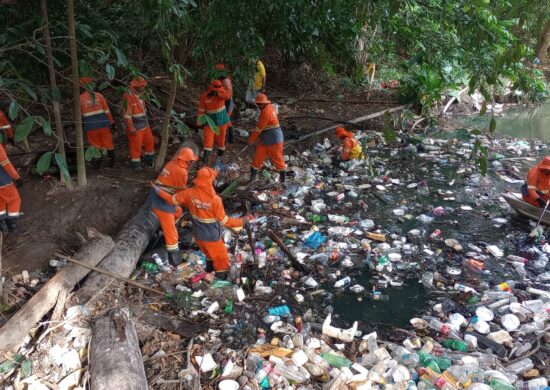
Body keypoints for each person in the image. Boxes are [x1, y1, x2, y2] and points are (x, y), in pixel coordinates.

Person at [152, 167, 243, 279]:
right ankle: (220, 281)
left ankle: (209, 272)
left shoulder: (189, 193)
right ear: (209, 182)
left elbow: (171, 200)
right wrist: (242, 220)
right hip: (212, 237)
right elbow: (225, 221)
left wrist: (157, 189)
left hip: (199, 235)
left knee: (209, 255)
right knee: (222, 260)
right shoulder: (215, 200)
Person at [149, 147, 198, 266]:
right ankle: (174, 261)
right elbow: (179, 195)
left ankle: (164, 226)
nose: (192, 163)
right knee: (172, 235)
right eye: (191, 161)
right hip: (162, 203)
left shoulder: (172, 163)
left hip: (157, 195)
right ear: (186, 161)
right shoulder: (181, 172)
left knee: (178, 210)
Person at [248, 93, 286, 184]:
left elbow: (258, 129)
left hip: (274, 140)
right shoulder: (268, 107)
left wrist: (251, 140)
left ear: (264, 103)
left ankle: (282, 180)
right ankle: (252, 179)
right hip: (265, 139)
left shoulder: (266, 113)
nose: (258, 106)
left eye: (259, 104)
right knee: (257, 158)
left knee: (278, 159)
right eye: (257, 104)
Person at [79, 76, 116, 167]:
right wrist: (111, 121)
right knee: (108, 143)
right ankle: (111, 164)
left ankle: (98, 165)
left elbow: (79, 115)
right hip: (103, 124)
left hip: (91, 127)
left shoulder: (80, 99)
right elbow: (107, 111)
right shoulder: (99, 96)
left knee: (95, 145)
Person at [122, 76, 155, 171]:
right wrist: (131, 128)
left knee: (150, 142)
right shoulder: (128, 96)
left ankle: (149, 160)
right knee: (136, 146)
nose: (143, 88)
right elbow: (127, 114)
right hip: (136, 126)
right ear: (136, 87)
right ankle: (136, 164)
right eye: (142, 86)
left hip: (144, 123)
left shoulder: (141, 94)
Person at [196, 80, 231, 164]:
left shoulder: (222, 93)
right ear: (211, 86)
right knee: (208, 140)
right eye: (216, 87)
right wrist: (198, 122)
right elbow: (201, 109)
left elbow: (227, 96)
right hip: (209, 120)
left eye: (219, 87)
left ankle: (219, 161)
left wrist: (218, 91)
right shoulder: (204, 96)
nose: (217, 88)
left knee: (221, 140)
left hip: (222, 119)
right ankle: (205, 163)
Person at [0, 144, 22, 234]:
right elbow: (5, 163)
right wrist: (16, 177)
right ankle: (12, 227)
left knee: (0, 201)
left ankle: (3, 226)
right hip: (2, 181)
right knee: (14, 200)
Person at [214, 64, 236, 144]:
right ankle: (230, 138)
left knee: (225, 122)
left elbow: (228, 95)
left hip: (228, 103)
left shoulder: (226, 81)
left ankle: (225, 140)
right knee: (226, 120)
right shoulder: (221, 79)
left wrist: (218, 94)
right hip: (225, 102)